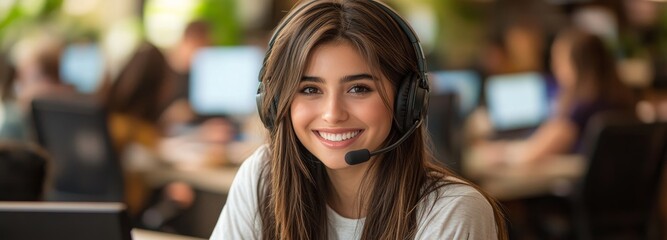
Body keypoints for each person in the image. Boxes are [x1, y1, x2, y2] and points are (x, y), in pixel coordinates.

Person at [211, 1, 507, 239]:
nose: (332, 113)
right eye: (310, 89)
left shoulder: (452, 212)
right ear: (275, 104)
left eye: (359, 88)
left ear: (408, 100)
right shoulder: (264, 176)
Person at [475, 26, 637, 166]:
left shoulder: (581, 107)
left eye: (559, 61)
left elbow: (534, 153)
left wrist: (502, 153)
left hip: (581, 195)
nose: (555, 69)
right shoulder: (623, 100)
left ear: (577, 65)